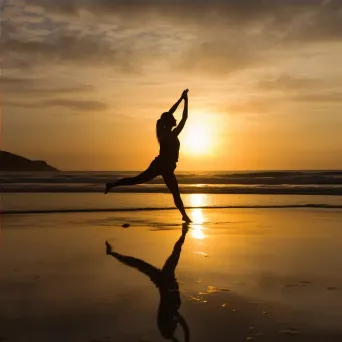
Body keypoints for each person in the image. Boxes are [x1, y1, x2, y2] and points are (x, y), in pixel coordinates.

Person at [105, 89, 191, 222]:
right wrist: (185, 101)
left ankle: (184, 216)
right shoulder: (170, 134)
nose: (175, 118)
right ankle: (112, 184)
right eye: (173, 119)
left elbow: (168, 114)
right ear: (168, 122)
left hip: (164, 167)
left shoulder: (164, 130)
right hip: (162, 167)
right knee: (139, 181)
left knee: (173, 191)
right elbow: (183, 117)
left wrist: (181, 99)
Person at [105, 224, 190, 342]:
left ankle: (184, 233)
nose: (176, 326)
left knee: (138, 263)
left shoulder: (171, 312)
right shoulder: (174, 313)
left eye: (173, 327)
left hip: (163, 280)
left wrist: (181, 339)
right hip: (165, 279)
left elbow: (182, 326)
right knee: (138, 263)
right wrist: (184, 339)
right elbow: (184, 326)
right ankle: (183, 234)